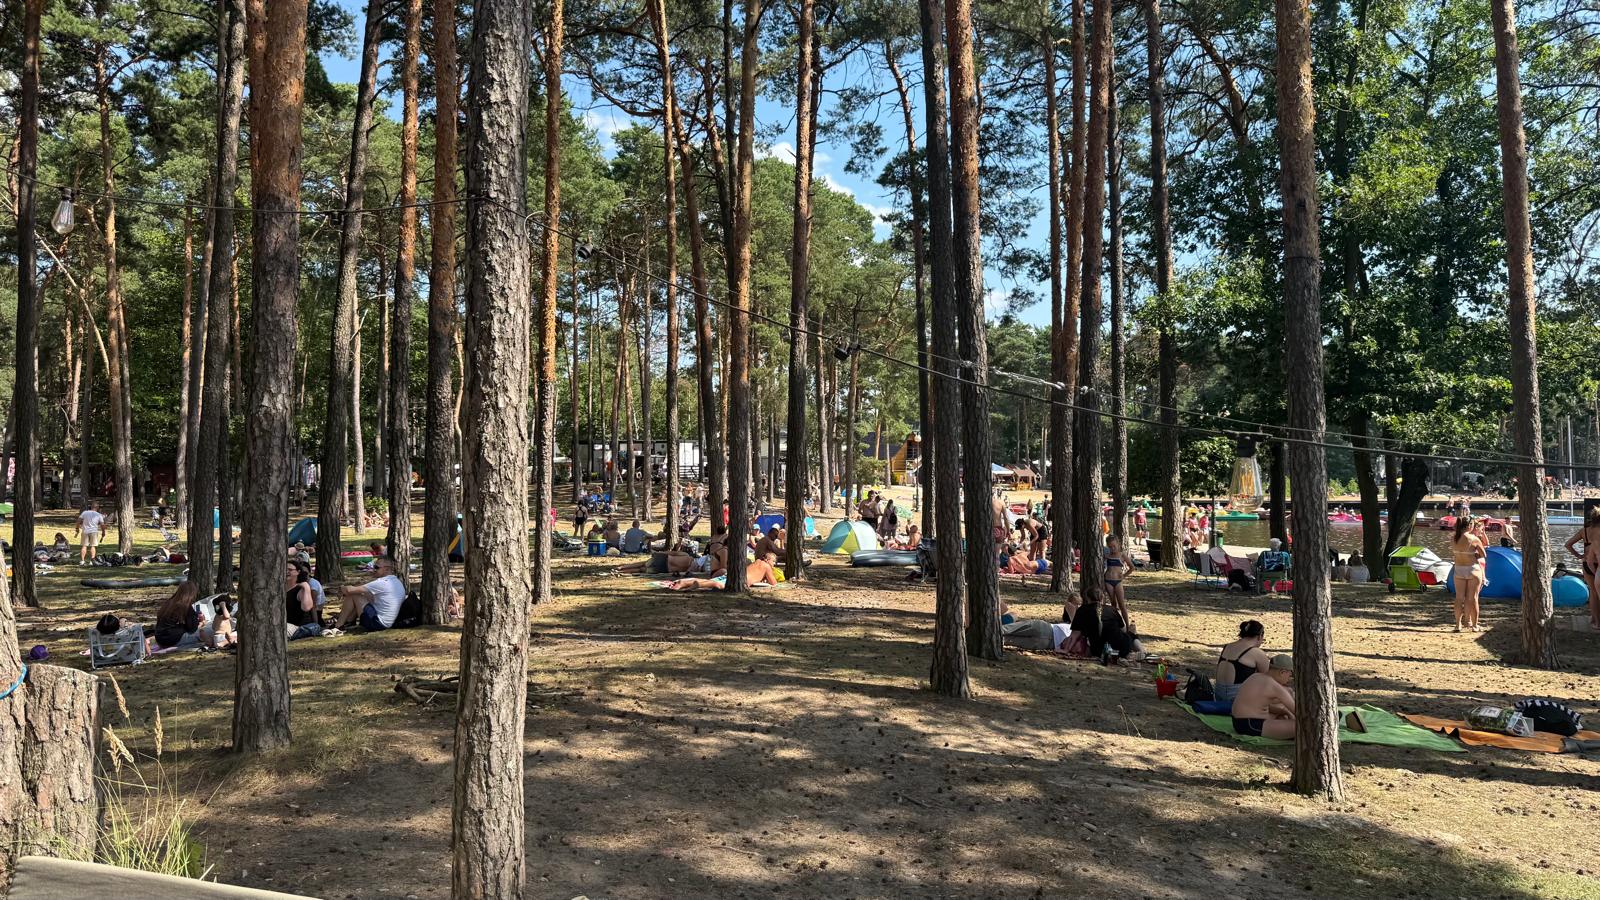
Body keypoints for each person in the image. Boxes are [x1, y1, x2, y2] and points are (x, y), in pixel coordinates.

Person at [333, 556, 407, 632]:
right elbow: (366, 593)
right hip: (387, 622)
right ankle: (348, 622)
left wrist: (341, 588)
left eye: (377, 567)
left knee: (354, 594)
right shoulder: (396, 581)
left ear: (387, 569)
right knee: (361, 594)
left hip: (377, 623)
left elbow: (349, 590)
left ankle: (339, 625)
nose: (374, 569)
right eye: (373, 566)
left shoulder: (382, 583)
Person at [1231, 654, 1296, 739]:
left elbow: (1258, 704)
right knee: (1302, 726)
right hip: (1251, 725)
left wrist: (1284, 711)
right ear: (1282, 672)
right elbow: (1297, 711)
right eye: (1290, 675)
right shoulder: (1273, 685)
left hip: (1238, 722)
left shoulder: (1255, 676)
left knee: (1282, 715)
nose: (1289, 679)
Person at [1214, 620, 1270, 703]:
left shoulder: (1228, 647)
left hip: (1219, 696)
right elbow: (1268, 678)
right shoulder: (1256, 652)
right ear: (1260, 636)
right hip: (1237, 699)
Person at [1451, 515, 1487, 632]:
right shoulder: (1473, 538)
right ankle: (1475, 626)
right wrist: (1475, 554)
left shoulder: (1453, 538)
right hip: (1472, 569)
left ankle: (1458, 625)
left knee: (1459, 598)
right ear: (1470, 525)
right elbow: (1483, 555)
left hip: (1458, 569)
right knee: (1473, 598)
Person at [152, 582, 207, 650]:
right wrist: (201, 623)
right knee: (203, 634)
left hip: (159, 638)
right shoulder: (185, 606)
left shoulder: (168, 603)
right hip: (171, 639)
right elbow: (192, 629)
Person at [285, 562, 324, 640]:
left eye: (290, 570)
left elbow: (306, 608)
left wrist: (306, 587)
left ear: (298, 572)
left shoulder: (301, 589)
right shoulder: (279, 589)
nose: (287, 572)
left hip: (300, 627)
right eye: (285, 569)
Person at [1103, 536, 1132, 624]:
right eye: (1110, 547)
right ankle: (1115, 623)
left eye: (1114, 546)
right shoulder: (1107, 556)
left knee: (1122, 604)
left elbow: (1132, 567)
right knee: (1113, 603)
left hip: (1118, 581)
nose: (1112, 548)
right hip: (1108, 580)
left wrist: (1124, 576)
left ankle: (1127, 625)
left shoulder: (1122, 555)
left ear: (1118, 544)